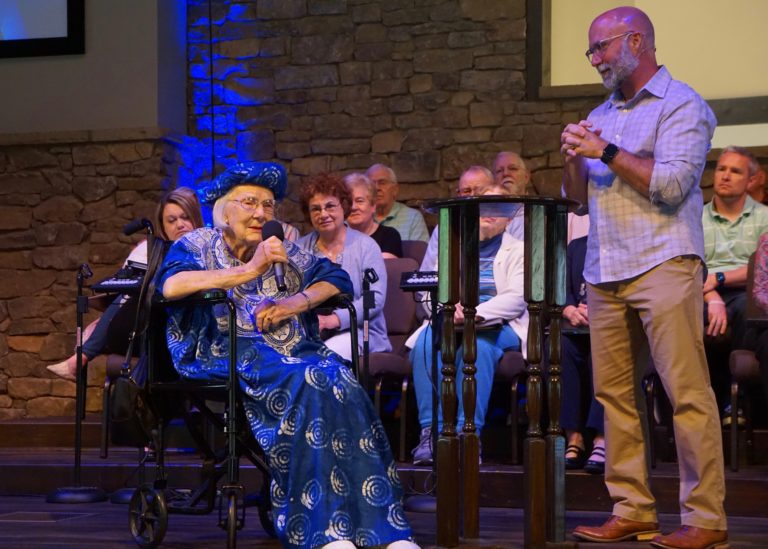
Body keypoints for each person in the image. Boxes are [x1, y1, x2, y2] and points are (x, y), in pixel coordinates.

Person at [157, 162, 416, 549]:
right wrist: (251, 269)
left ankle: (383, 526)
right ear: (224, 211)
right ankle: (322, 529)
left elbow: (338, 280)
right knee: (307, 380)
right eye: (249, 203)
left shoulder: (285, 250)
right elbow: (172, 286)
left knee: (341, 380)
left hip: (291, 349)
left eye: (268, 205)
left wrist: (296, 302)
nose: (261, 213)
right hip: (224, 348)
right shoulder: (197, 244)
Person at [560, 6, 728, 548]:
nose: (595, 60)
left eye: (601, 47)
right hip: (605, 269)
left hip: (664, 262)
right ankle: (632, 508)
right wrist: (573, 158)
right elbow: (577, 198)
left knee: (687, 394)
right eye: (591, 51)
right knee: (614, 397)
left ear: (636, 41)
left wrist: (604, 150)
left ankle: (705, 518)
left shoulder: (683, 104)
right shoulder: (599, 113)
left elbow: (674, 187)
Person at [407, 184, 528, 465]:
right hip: (452, 320)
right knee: (423, 345)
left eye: (498, 208)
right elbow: (429, 291)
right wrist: (448, 309)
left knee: (477, 348)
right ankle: (431, 432)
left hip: (499, 324)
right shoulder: (454, 246)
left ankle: (468, 434)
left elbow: (516, 299)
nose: (489, 213)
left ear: (510, 217)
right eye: (484, 206)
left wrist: (473, 314)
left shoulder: (520, 250)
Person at [47, 187, 203, 381]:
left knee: (137, 296)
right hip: (153, 325)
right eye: (171, 220)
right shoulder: (154, 250)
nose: (180, 224)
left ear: (196, 218)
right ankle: (85, 356)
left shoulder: (208, 248)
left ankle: (82, 357)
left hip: (192, 323)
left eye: (185, 217)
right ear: (163, 227)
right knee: (133, 293)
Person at [296, 173, 391, 362]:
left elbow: (374, 299)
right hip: (309, 333)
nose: (323, 214)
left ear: (344, 206)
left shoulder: (366, 246)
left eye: (330, 206)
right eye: (316, 209)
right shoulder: (299, 249)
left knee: (324, 356)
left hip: (362, 332)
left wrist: (334, 320)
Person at [702, 146, 768, 410]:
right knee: (682, 314)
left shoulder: (764, 217)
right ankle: (702, 401)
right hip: (702, 292)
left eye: (735, 171)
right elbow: (690, 267)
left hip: (747, 292)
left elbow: (761, 268)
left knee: (747, 310)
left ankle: (738, 402)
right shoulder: (694, 217)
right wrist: (712, 296)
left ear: (750, 180)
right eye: (721, 169)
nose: (726, 176)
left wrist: (719, 278)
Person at [559, 234, 605, 475]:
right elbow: (562, 289)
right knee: (560, 346)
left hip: (614, 326)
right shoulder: (577, 246)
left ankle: (602, 438)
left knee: (604, 350)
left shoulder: (628, 244)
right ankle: (574, 437)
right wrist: (569, 309)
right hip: (578, 327)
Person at [343, 172, 403, 259]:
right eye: (348, 202)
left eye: (359, 201)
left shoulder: (389, 236)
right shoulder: (336, 237)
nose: (353, 207)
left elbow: (380, 264)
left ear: (373, 206)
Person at [365, 163, 428, 242]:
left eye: (382, 183)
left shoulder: (413, 218)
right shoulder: (359, 218)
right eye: (372, 184)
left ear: (395, 189)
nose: (377, 188)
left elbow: (420, 249)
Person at [492, 152, 529, 240]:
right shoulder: (486, 217)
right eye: (499, 171)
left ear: (526, 177)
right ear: (493, 180)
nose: (505, 173)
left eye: (512, 168)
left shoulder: (541, 214)